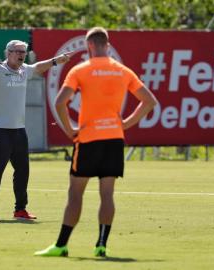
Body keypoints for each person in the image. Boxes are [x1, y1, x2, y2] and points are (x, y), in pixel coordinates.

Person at [35, 27, 158, 257]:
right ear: (107, 46)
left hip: (89, 139)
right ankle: (101, 244)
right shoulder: (123, 70)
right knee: (107, 194)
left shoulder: (80, 70)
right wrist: (126, 124)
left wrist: (70, 129)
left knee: (75, 194)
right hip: (113, 139)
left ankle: (61, 245)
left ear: (89, 45)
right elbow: (149, 101)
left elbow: (61, 102)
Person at [0, 40, 71, 221]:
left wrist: (55, 61)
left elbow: (37, 67)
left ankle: (20, 209)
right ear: (8, 52)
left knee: (22, 171)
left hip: (19, 130)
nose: (21, 55)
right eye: (18, 52)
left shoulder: (23, 70)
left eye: (24, 52)